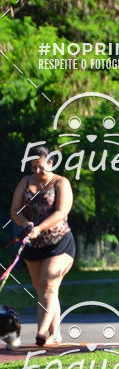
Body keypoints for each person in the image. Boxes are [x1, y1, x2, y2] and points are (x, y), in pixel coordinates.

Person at [9, 145, 75, 346]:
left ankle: (42, 333)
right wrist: (26, 224)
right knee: (44, 290)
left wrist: (40, 227)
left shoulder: (61, 183)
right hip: (33, 244)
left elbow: (61, 212)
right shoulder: (25, 182)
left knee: (48, 284)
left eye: (41, 167)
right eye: (33, 167)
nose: (37, 172)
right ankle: (55, 334)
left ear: (51, 163)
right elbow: (15, 211)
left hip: (59, 243)